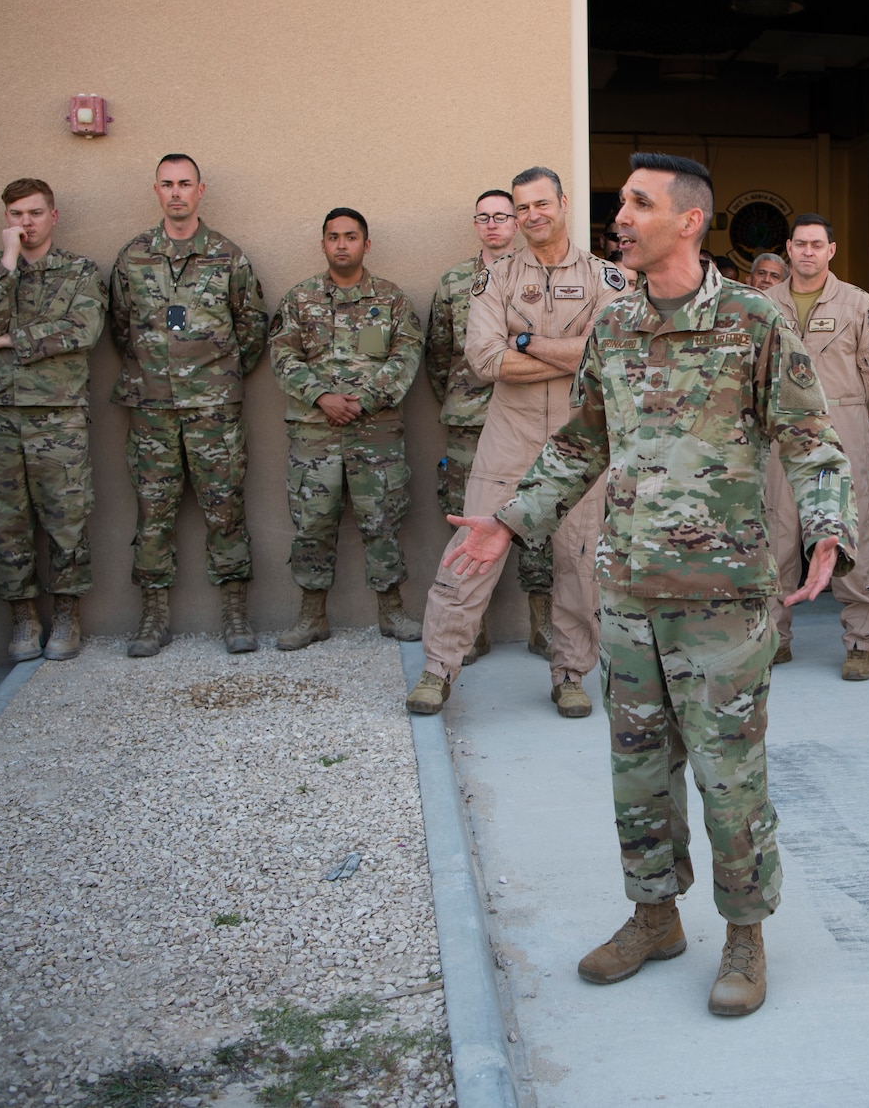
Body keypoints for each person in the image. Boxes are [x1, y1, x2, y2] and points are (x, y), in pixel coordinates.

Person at [444, 152, 853, 1018]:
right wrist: (512, 518)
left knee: (728, 775)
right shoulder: (616, 325)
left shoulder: (752, 321)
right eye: (621, 203)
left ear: (690, 220)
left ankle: (744, 933)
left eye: (638, 203)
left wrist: (827, 531)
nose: (619, 217)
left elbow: (812, 440)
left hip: (722, 602)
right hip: (628, 595)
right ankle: (654, 916)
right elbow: (579, 444)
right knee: (638, 773)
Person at [408, 167, 627, 719]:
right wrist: (569, 354)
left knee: (579, 562)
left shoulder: (609, 278)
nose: (533, 215)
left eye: (541, 204)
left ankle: (571, 674)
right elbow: (484, 361)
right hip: (508, 435)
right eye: (522, 207)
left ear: (563, 203)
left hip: (581, 437)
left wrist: (525, 342)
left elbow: (609, 356)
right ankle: (437, 670)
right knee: (472, 548)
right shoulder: (497, 278)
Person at [107, 154, 269, 658]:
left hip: (213, 409)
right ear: (155, 190)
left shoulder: (228, 256)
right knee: (154, 512)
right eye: (167, 184)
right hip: (151, 408)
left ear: (201, 190)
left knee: (225, 509)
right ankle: (153, 616)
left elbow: (253, 328)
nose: (176, 192)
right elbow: (120, 328)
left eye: (185, 184)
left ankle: (236, 611)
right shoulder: (133, 257)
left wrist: (212, 377)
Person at [0, 178, 107, 662]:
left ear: (53, 216)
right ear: (6, 218)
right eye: (17, 214)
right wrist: (6, 264)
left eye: (35, 213)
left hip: (58, 415)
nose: (26, 223)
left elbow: (81, 330)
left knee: (68, 519)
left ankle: (67, 614)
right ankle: (23, 618)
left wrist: (8, 344)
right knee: (6, 523)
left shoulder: (80, 271)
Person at [267, 207, 424, 650]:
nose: (341, 244)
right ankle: (312, 614)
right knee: (312, 522)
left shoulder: (391, 300)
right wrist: (322, 397)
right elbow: (283, 356)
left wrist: (364, 402)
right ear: (323, 244)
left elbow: (406, 357)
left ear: (365, 244)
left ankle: (392, 611)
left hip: (375, 433)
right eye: (333, 237)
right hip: (314, 433)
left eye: (350, 236)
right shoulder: (299, 299)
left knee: (382, 520)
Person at [761, 213, 869, 679]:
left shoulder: (859, 305)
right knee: (778, 534)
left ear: (831, 250)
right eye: (800, 244)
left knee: (847, 533)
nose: (808, 252)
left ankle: (860, 640)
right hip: (781, 434)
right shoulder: (762, 304)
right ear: (788, 248)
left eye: (817, 244)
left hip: (843, 432)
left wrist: (847, 413)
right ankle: (773, 638)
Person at [425, 189, 550, 665]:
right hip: (469, 422)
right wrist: (462, 399)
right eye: (484, 218)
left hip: (527, 419)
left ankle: (543, 625)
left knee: (537, 519)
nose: (493, 225)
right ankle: (468, 629)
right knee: (467, 519)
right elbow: (440, 353)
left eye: (503, 216)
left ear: (518, 224)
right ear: (475, 224)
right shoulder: (456, 281)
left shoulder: (540, 278)